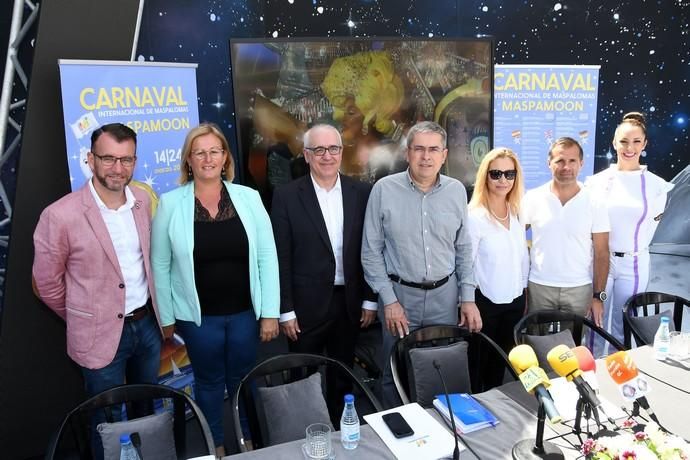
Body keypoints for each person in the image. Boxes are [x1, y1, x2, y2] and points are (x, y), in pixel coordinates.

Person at [32, 123, 163, 456]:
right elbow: (45, 284)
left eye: (126, 159)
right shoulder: (60, 215)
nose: (118, 169)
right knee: (104, 423)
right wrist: (84, 314)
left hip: (147, 326)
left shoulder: (143, 202)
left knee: (146, 410)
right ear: (90, 159)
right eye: (108, 159)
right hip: (99, 337)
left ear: (135, 160)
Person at [151, 123, 280, 456]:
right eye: (199, 152)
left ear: (225, 157)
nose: (207, 158)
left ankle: (247, 440)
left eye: (214, 151)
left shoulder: (249, 198)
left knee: (244, 379)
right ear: (188, 161)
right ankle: (216, 445)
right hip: (198, 320)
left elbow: (267, 257)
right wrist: (166, 316)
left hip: (244, 315)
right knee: (208, 384)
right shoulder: (169, 204)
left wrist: (270, 313)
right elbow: (160, 265)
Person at [361, 121, 481, 407]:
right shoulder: (383, 190)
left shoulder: (456, 192)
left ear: (444, 154)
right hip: (400, 299)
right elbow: (370, 251)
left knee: (443, 369)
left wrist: (468, 298)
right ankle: (397, 437)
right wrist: (388, 302)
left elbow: (463, 248)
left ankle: (442, 432)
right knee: (393, 372)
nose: (426, 157)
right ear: (407, 153)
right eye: (419, 149)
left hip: (445, 298)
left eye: (433, 150)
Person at [271, 124, 377, 412]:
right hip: (305, 308)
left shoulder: (363, 193)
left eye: (333, 149)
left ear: (342, 153)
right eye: (319, 149)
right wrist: (286, 309)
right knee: (302, 377)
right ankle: (304, 434)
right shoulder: (286, 196)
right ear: (306, 155)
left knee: (343, 376)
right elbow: (280, 256)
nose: (327, 156)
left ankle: (341, 433)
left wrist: (370, 299)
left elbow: (371, 249)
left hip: (349, 303)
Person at [585, 112, 673, 355]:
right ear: (614, 143)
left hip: (634, 264)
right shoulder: (596, 182)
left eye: (636, 141)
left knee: (623, 323)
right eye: (623, 141)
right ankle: (590, 376)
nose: (629, 147)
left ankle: (617, 377)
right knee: (594, 322)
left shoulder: (657, 186)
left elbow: (651, 228)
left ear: (644, 145)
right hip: (600, 262)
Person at [520, 137, 610, 330]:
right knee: (535, 343)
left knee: (573, 351)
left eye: (572, 161)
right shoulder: (533, 198)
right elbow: (513, 239)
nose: (566, 167)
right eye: (560, 160)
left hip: (579, 288)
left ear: (581, 164)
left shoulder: (595, 201)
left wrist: (598, 296)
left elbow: (602, 252)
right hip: (539, 286)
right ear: (549, 163)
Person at [468, 147, 529, 389]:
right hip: (484, 305)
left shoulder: (517, 213)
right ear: (485, 176)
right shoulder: (474, 217)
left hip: (514, 303)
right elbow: (466, 264)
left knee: (501, 366)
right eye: (496, 174)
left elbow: (522, 259)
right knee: (479, 367)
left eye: (509, 174)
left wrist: (524, 293)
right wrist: (468, 303)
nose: (503, 180)